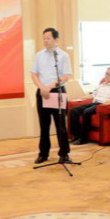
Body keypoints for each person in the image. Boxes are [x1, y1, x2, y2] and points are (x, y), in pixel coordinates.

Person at [31, 27, 72, 164]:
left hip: (57, 92)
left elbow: (66, 76)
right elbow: (34, 74)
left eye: (48, 38)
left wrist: (50, 86)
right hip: (42, 92)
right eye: (44, 38)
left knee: (60, 125)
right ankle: (43, 153)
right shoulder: (39, 55)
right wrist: (42, 88)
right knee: (44, 125)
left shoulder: (63, 55)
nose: (46, 41)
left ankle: (64, 153)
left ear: (55, 39)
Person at [69, 67, 110, 145]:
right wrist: (82, 97)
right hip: (94, 102)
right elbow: (93, 95)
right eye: (106, 73)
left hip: (102, 105)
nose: (106, 76)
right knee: (73, 110)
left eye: (108, 74)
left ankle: (83, 139)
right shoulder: (102, 84)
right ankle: (76, 136)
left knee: (87, 112)